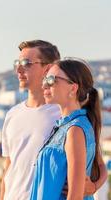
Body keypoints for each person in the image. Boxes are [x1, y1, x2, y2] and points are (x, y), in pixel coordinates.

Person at [0, 40, 107, 200]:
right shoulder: (12, 115)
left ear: (48, 68)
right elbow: (8, 169)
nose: (19, 68)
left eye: (26, 63)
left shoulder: (66, 117)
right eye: (18, 62)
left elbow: (96, 163)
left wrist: (92, 187)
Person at [30, 58, 104, 200]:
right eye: (45, 79)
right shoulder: (68, 126)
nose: (44, 85)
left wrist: (93, 187)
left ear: (73, 88)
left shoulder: (74, 130)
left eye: (51, 80)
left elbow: (74, 196)